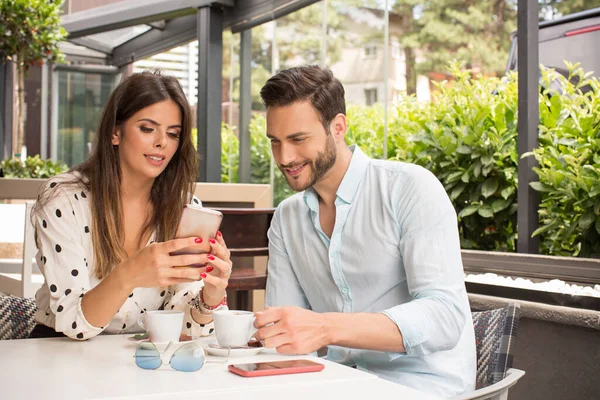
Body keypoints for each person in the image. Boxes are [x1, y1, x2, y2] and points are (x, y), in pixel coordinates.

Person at [254, 65, 476, 398]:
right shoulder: (286, 219)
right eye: (276, 142)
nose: (285, 157)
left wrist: (325, 329)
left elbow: (445, 316)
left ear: (338, 127)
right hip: (335, 385)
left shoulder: (409, 189)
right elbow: (287, 338)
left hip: (422, 387)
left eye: (298, 139)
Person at [29, 71, 231, 340]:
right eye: (147, 129)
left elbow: (185, 328)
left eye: (173, 134)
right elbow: (72, 322)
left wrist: (211, 295)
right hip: (58, 351)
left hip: (137, 357)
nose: (162, 142)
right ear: (115, 133)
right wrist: (132, 272)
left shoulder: (183, 208)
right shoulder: (64, 200)